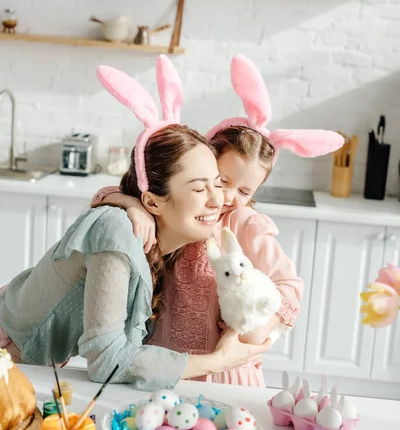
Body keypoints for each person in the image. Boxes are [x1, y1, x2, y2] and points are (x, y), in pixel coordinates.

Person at [0, 56, 273, 391]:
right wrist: (218, 361)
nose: (220, 200)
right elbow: (107, 359)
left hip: (32, 366)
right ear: (153, 201)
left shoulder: (166, 239)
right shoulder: (117, 230)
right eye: (201, 188)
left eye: (219, 183)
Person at [90, 55, 344, 386]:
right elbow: (103, 195)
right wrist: (131, 206)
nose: (227, 196)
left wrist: (256, 327)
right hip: (163, 360)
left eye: (245, 190)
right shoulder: (183, 203)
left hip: (224, 372)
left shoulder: (245, 223)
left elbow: (290, 286)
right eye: (223, 181)